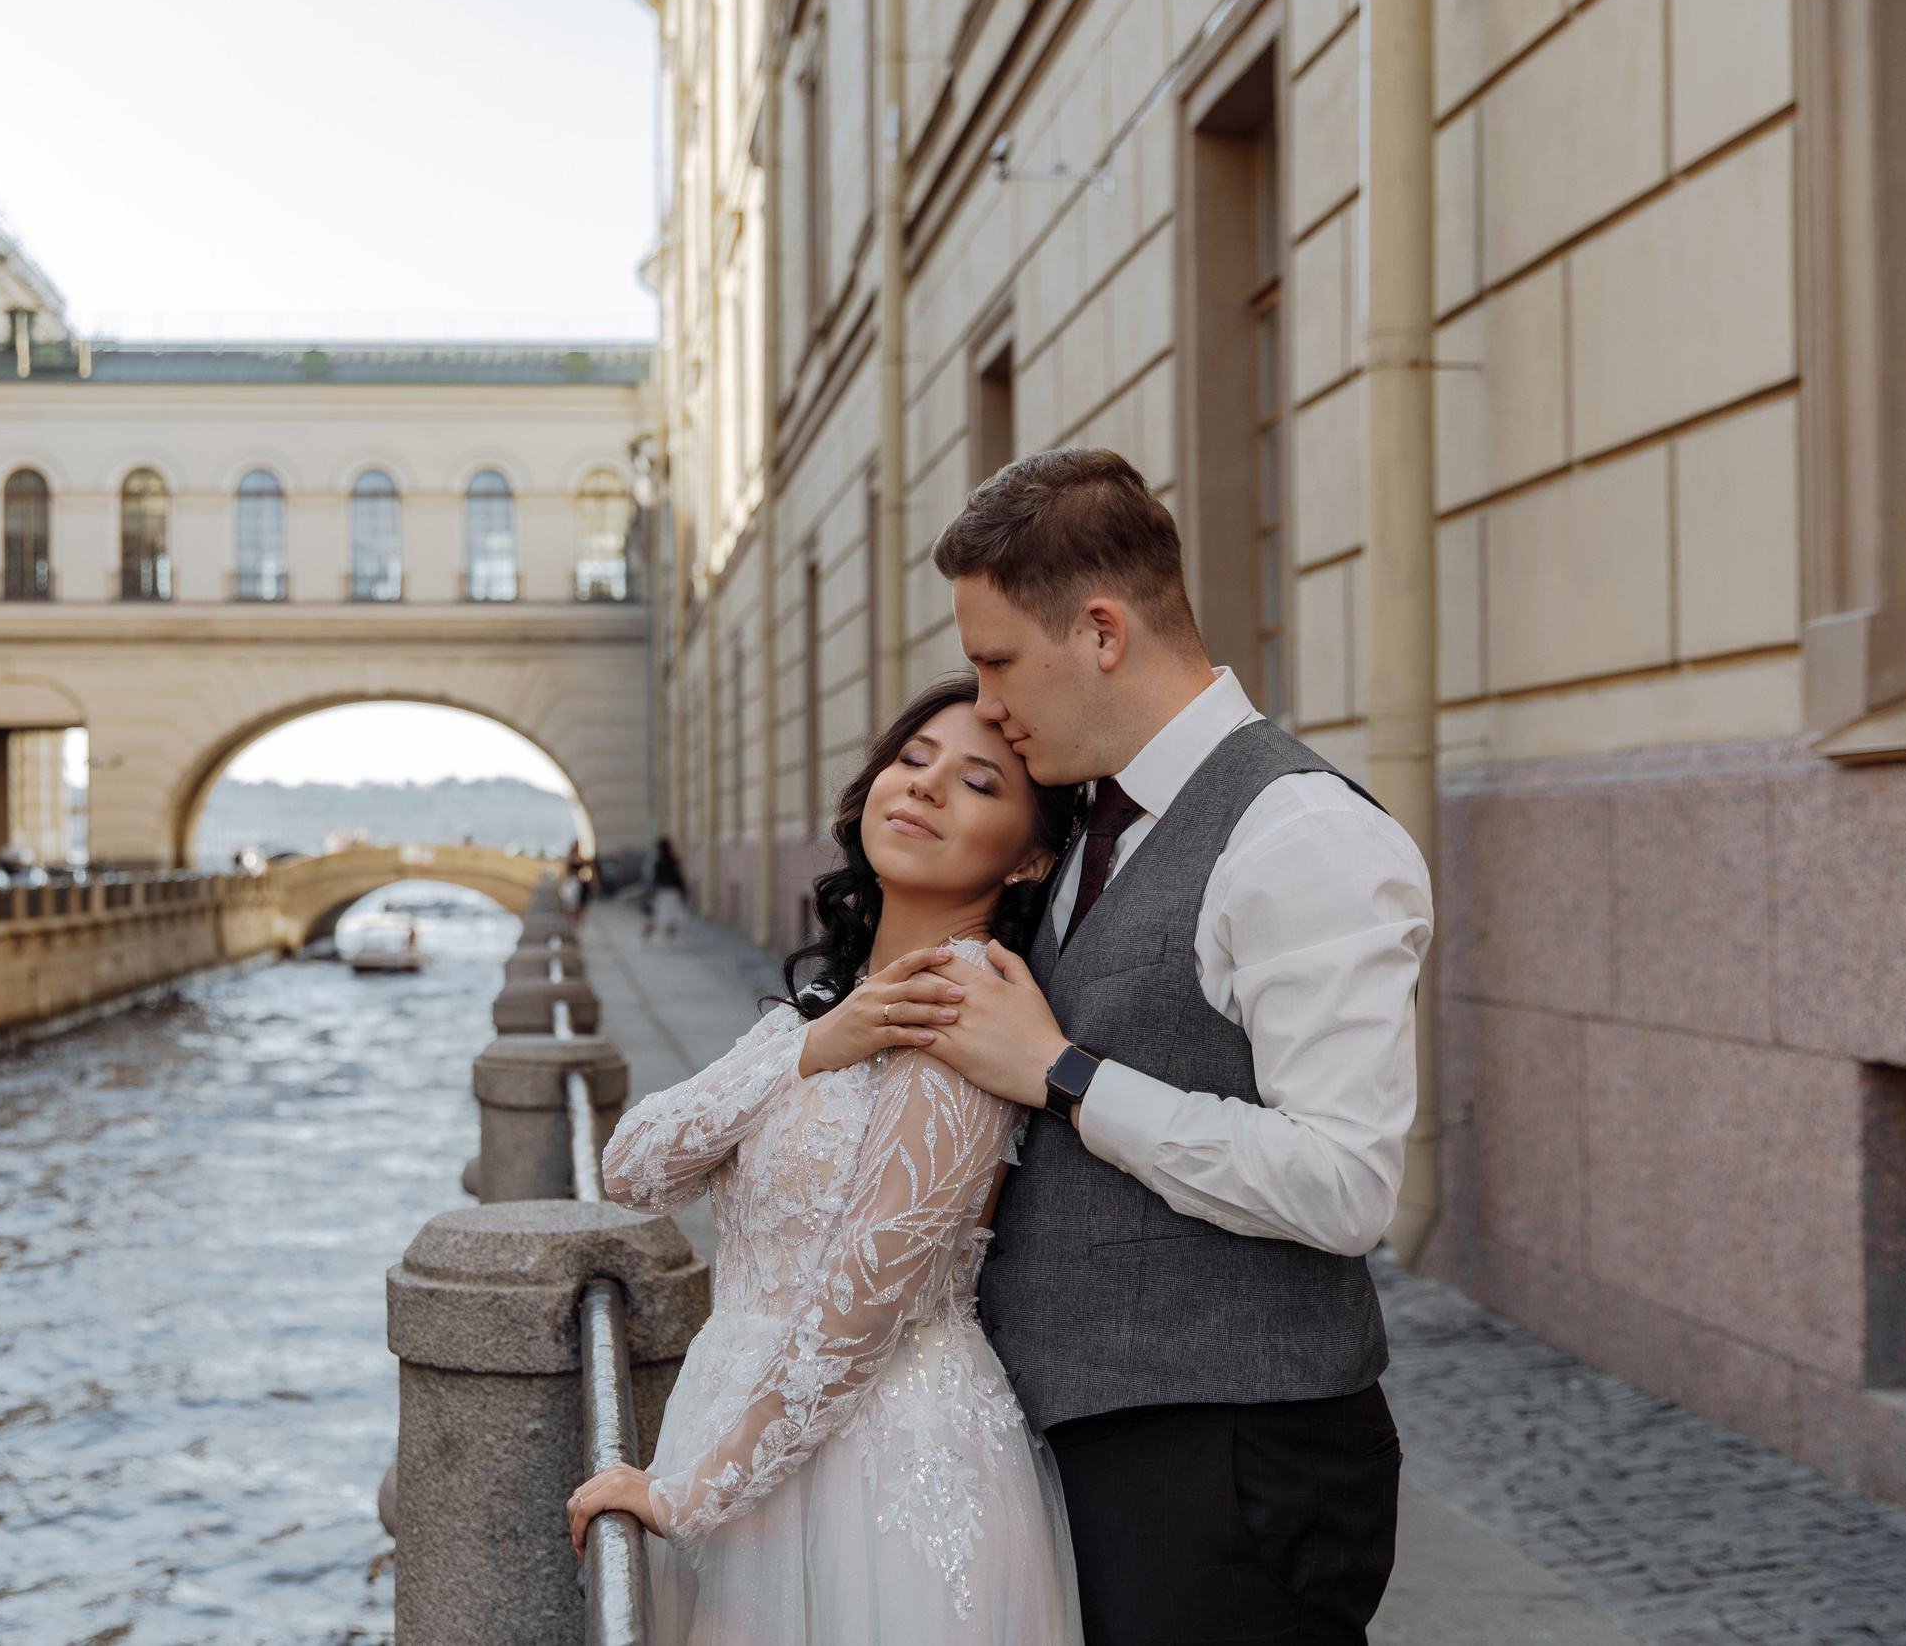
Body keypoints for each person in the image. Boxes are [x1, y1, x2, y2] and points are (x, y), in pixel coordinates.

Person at [924, 448, 1431, 1643]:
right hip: (1107, 1451)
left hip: (1234, 1463)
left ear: (1099, 630)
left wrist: (1063, 1076)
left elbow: (1345, 1183)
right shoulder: (1094, 818)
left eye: (996, 662)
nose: (986, 702)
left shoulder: (1298, 834)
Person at [568, 674, 1084, 1644]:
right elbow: (632, 1169)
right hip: (739, 1427)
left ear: (1031, 857)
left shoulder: (963, 998)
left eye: (977, 783)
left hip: (878, 1461)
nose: (924, 789)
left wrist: (693, 1494)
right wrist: (808, 1047)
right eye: (912, 760)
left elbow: (867, 1295)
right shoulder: (827, 1009)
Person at [644, 837, 686, 943]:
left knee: (656, 917)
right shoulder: (673, 861)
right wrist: (683, 892)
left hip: (664, 893)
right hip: (672, 893)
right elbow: (678, 879)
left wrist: (650, 894)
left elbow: (655, 880)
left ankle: (645, 939)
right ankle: (669, 939)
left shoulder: (660, 862)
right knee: (671, 918)